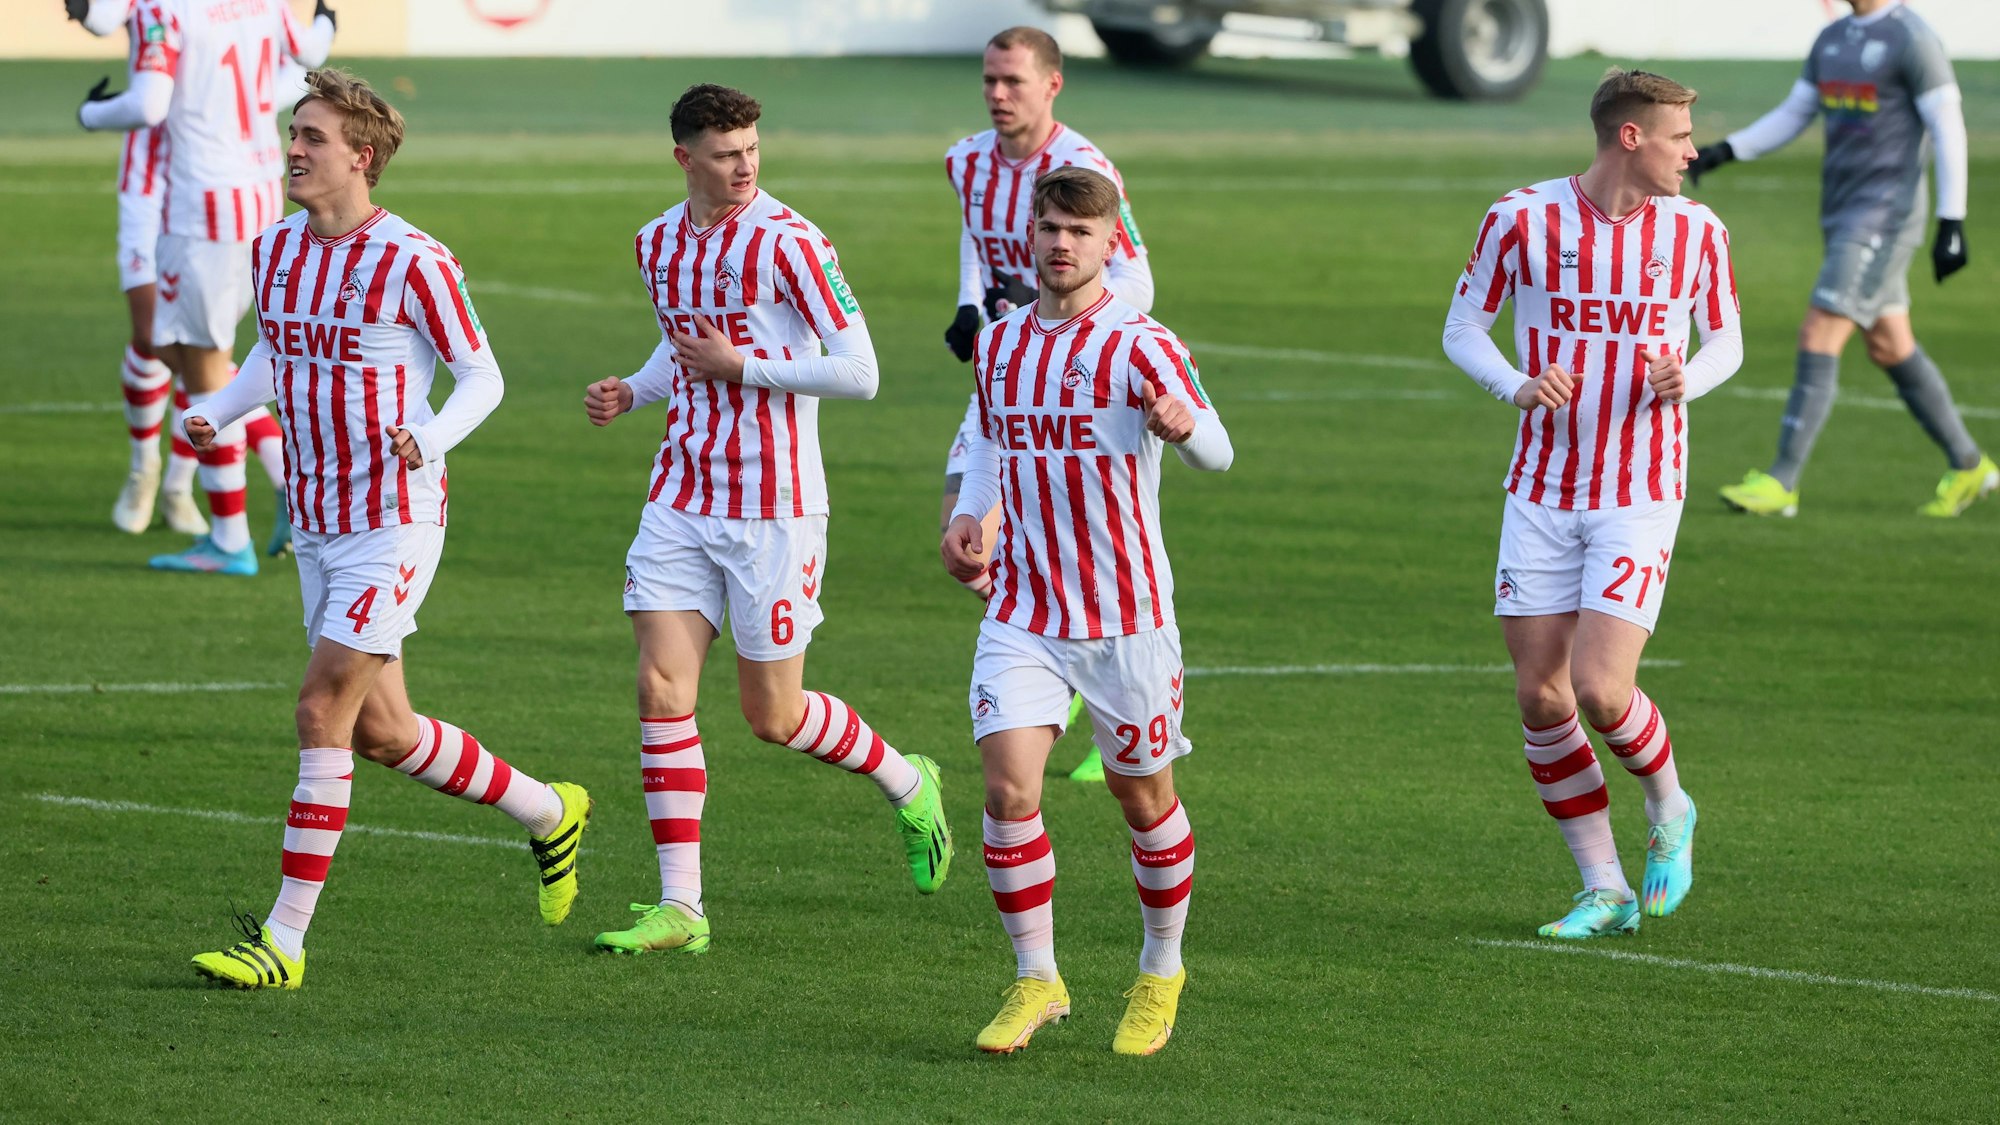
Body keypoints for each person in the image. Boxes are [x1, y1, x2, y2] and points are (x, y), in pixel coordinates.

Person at [177, 69, 590, 988]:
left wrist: (427, 437)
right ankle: (548, 810)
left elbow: (481, 375)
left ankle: (281, 941)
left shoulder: (414, 259)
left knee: (321, 705)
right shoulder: (275, 248)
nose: (293, 148)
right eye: (293, 132)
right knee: (383, 732)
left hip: (393, 519)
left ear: (361, 158)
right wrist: (222, 407)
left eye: (313, 137)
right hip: (320, 519)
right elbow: (271, 356)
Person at [583, 84, 953, 958]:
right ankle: (683, 907)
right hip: (681, 494)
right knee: (660, 688)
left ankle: (911, 783)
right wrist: (636, 389)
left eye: (752, 146)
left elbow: (860, 371)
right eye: (725, 152)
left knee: (773, 717)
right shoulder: (656, 242)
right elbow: (682, 347)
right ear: (684, 159)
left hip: (776, 507)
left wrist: (741, 366)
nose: (745, 165)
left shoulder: (792, 242)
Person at [1441, 69, 1743, 939]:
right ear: (1631, 137)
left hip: (1641, 488)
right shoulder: (1521, 218)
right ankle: (1602, 885)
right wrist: (1518, 385)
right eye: (1680, 135)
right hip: (1540, 487)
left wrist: (1690, 379)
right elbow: (1464, 327)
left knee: (1602, 689)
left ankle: (1670, 804)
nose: (1693, 151)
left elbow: (1726, 338)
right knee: (1541, 697)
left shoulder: (1697, 231)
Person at [941, 166, 1232, 1056]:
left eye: (1081, 230)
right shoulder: (999, 345)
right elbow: (992, 443)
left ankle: (1160, 968)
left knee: (1144, 800)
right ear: (1033, 236)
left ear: (1111, 244)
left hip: (1125, 617)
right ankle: (1037, 977)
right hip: (1023, 610)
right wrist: (969, 517)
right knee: (1007, 786)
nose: (1062, 243)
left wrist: (1185, 429)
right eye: (1051, 228)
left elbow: (1218, 452)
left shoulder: (1142, 344)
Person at [940, 25, 1155, 783]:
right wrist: (972, 307)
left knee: (1072, 547)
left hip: (1072, 380)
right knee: (960, 546)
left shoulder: (1087, 169)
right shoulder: (964, 159)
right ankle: (1050, 663)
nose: (999, 94)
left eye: (1014, 82)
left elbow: (1139, 283)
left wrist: (1039, 300)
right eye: (990, 81)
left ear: (1052, 85)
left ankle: (1105, 700)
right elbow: (975, 237)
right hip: (1001, 375)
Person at [1693, 0, 1992, 517]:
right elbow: (1796, 111)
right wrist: (1728, 149)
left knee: (1820, 331)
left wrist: (1953, 220)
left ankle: (1782, 482)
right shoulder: (1832, 40)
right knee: (1890, 344)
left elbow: (1947, 125)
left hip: (1883, 219)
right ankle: (1971, 466)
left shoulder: (1912, 39)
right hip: (1840, 213)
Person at [77, 0, 335, 574]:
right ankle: (274, 485)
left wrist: (89, 114)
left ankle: (232, 536)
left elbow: (148, 102)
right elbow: (312, 51)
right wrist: (327, 18)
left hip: (203, 210)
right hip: (259, 199)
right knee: (177, 349)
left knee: (202, 367)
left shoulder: (164, 9)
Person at [69, 0, 205, 538]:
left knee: (202, 342)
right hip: (149, 186)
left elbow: (289, 67)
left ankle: (180, 481)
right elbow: (103, 15)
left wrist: (90, 115)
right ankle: (143, 468)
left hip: (213, 189)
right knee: (151, 335)